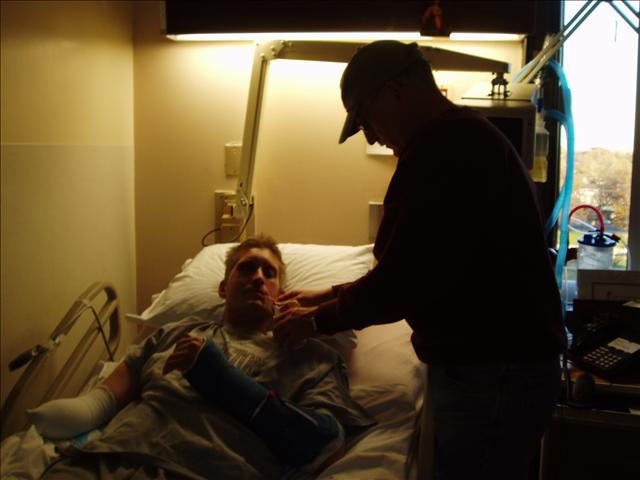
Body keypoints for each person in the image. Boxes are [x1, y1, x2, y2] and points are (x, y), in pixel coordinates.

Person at [272, 40, 568, 480]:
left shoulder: (443, 152)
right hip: (499, 371)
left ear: (394, 92)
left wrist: (316, 320)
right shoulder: (462, 139)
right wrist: (328, 294)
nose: (371, 136)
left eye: (365, 120)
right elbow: (425, 266)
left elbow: (401, 283)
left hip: (494, 376)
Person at [32, 236, 374, 479]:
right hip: (103, 460)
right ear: (223, 288)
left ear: (281, 295)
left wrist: (217, 374)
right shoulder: (174, 332)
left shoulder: (311, 357)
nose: (258, 277)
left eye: (268, 273)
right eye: (247, 268)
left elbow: (324, 445)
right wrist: (54, 418)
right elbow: (102, 402)